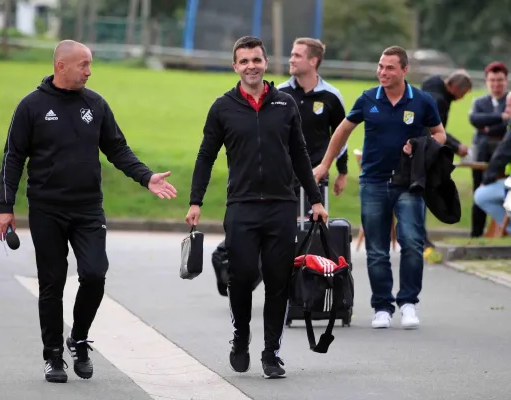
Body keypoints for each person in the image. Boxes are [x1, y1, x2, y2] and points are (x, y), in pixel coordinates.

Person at [0, 40, 177, 384]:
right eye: (83, 65)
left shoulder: (95, 104)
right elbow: (13, 157)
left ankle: (78, 338)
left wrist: (146, 176)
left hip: (88, 208)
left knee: (94, 274)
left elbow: (117, 149)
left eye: (90, 64)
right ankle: (53, 356)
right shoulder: (31, 107)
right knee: (52, 283)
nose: (89, 71)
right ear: (61, 66)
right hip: (46, 208)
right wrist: (6, 207)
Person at [184, 36, 327, 379]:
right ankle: (241, 337)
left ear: (266, 63)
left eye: (256, 60)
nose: (251, 66)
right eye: (244, 61)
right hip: (242, 207)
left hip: (281, 207)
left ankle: (271, 353)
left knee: (278, 282)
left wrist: (317, 200)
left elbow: (300, 155)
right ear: (235, 66)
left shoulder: (285, 104)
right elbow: (206, 156)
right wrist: (195, 200)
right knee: (242, 278)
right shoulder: (223, 107)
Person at [313, 45, 446, 330]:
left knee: (411, 243)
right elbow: (343, 130)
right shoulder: (368, 98)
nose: (383, 72)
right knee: (376, 250)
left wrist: (423, 146)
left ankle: (408, 303)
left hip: (409, 184)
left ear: (404, 70)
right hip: (373, 182)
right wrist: (325, 164)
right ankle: (382, 307)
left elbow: (440, 134)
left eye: (390, 68)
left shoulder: (422, 101)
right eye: (380, 67)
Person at [277, 37, 348, 209]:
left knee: (312, 231)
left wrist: (342, 172)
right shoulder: (278, 94)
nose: (291, 59)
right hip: (281, 176)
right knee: (282, 232)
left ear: (313, 61)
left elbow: (341, 136)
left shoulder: (331, 96)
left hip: (315, 176)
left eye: (297, 56)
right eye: (291, 55)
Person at [419, 70, 473, 253]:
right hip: (424, 150)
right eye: (462, 94)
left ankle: (419, 237)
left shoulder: (431, 83)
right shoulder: (440, 101)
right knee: (423, 192)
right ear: (455, 87)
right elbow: (437, 130)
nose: (461, 98)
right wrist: (458, 146)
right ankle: (421, 239)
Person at [474, 88, 511, 236]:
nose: (506, 110)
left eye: (509, 106)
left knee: (481, 195)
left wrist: (487, 179)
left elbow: (503, 153)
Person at [468, 61, 509, 237]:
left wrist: (488, 128)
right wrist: (499, 117)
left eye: (499, 80)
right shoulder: (479, 102)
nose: (496, 84)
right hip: (481, 155)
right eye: (492, 80)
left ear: (506, 81)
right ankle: (476, 234)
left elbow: (508, 125)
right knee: (478, 192)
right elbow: (475, 119)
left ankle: (503, 231)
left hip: (502, 157)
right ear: (486, 81)